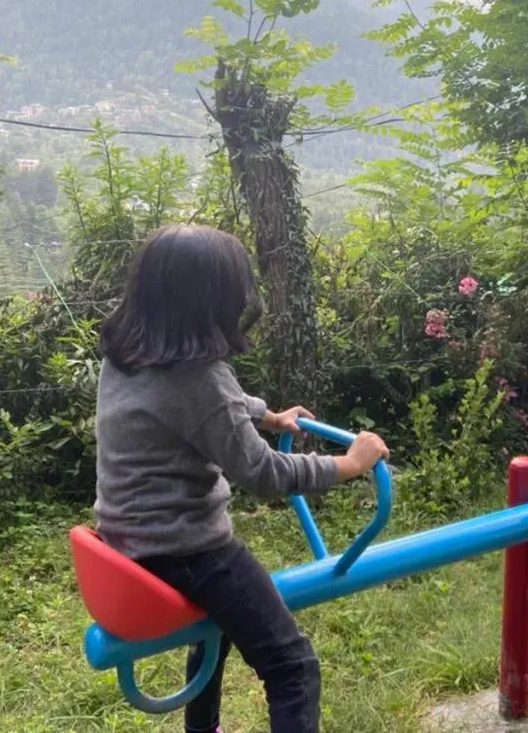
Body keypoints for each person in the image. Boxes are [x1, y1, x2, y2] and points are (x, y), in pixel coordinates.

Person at [93, 224, 389, 733]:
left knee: (214, 630)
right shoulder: (197, 378)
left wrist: (267, 416)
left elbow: (208, 406)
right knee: (292, 667)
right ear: (211, 304)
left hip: (128, 542)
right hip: (187, 552)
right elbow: (264, 473)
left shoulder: (128, 354)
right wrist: (350, 465)